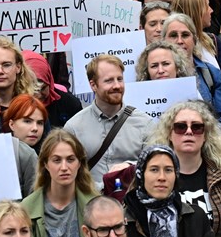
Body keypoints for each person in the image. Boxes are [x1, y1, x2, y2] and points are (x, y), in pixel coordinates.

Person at [148, 100, 221, 237]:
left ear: (205, 135)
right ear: (169, 134)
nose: (189, 131)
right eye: (181, 127)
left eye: (197, 127)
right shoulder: (152, 178)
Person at [123, 145, 215, 237]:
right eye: (154, 170)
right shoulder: (124, 222)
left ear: (176, 175)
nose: (162, 177)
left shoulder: (195, 217)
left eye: (168, 170)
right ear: (141, 174)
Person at [65, 54, 155, 186]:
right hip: (91, 200)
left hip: (132, 201)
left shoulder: (144, 123)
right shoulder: (74, 128)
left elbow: (156, 163)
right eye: (109, 81)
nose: (117, 85)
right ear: (93, 85)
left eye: (120, 79)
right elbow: (67, 170)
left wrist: (131, 166)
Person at [21, 130, 97, 237]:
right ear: (45, 165)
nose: (64, 167)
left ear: (79, 163)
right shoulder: (26, 208)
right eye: (56, 160)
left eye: (70, 159)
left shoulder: (95, 205)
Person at [162, 12, 221, 134]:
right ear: (163, 40)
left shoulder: (211, 73)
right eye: (173, 35)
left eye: (185, 35)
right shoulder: (155, 75)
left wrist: (209, 140)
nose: (179, 41)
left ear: (194, 39)